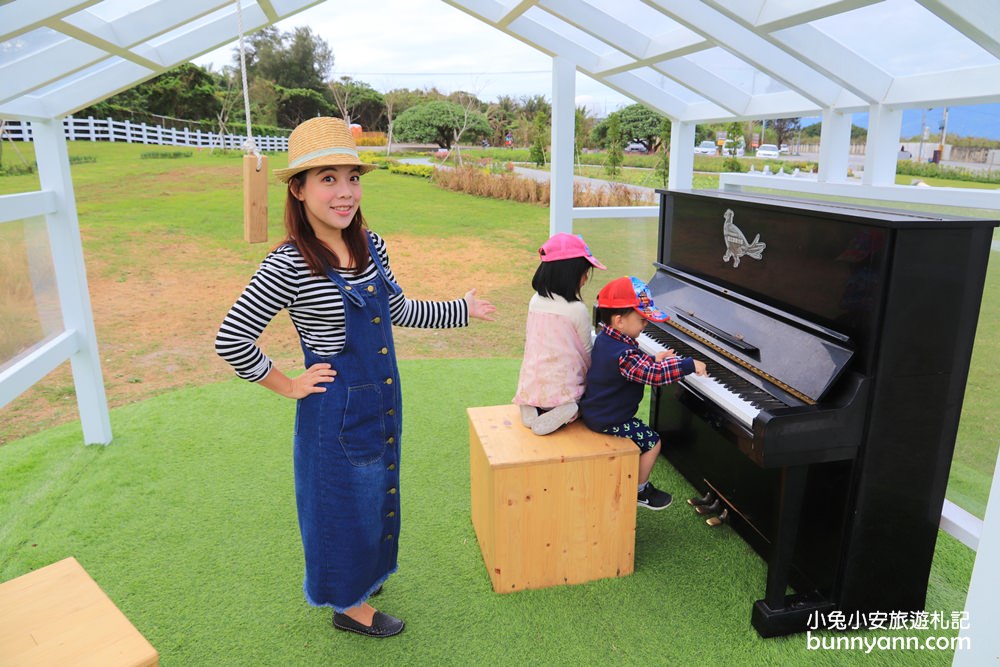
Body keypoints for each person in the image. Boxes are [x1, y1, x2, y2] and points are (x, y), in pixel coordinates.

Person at [215, 117, 495, 638]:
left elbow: (400, 311)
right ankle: (349, 605)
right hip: (335, 409)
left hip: (383, 399)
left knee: (377, 495)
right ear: (298, 190)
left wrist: (463, 307)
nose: (344, 192)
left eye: (352, 177)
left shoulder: (371, 245)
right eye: (327, 178)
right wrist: (291, 385)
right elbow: (232, 339)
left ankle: (365, 579)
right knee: (342, 507)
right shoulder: (289, 264)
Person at [579, 276, 707, 510]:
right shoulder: (625, 354)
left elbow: (631, 367)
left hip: (596, 410)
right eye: (642, 320)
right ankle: (640, 490)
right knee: (653, 442)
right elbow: (653, 375)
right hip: (610, 419)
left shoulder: (607, 337)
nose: (645, 324)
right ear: (619, 321)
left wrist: (652, 358)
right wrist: (688, 365)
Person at [513, 233, 606, 435]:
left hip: (532, 385)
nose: (586, 278)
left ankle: (530, 405)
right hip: (563, 392)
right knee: (591, 400)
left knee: (539, 375)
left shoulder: (535, 300)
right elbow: (586, 352)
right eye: (585, 272)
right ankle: (568, 410)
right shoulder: (577, 309)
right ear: (570, 274)